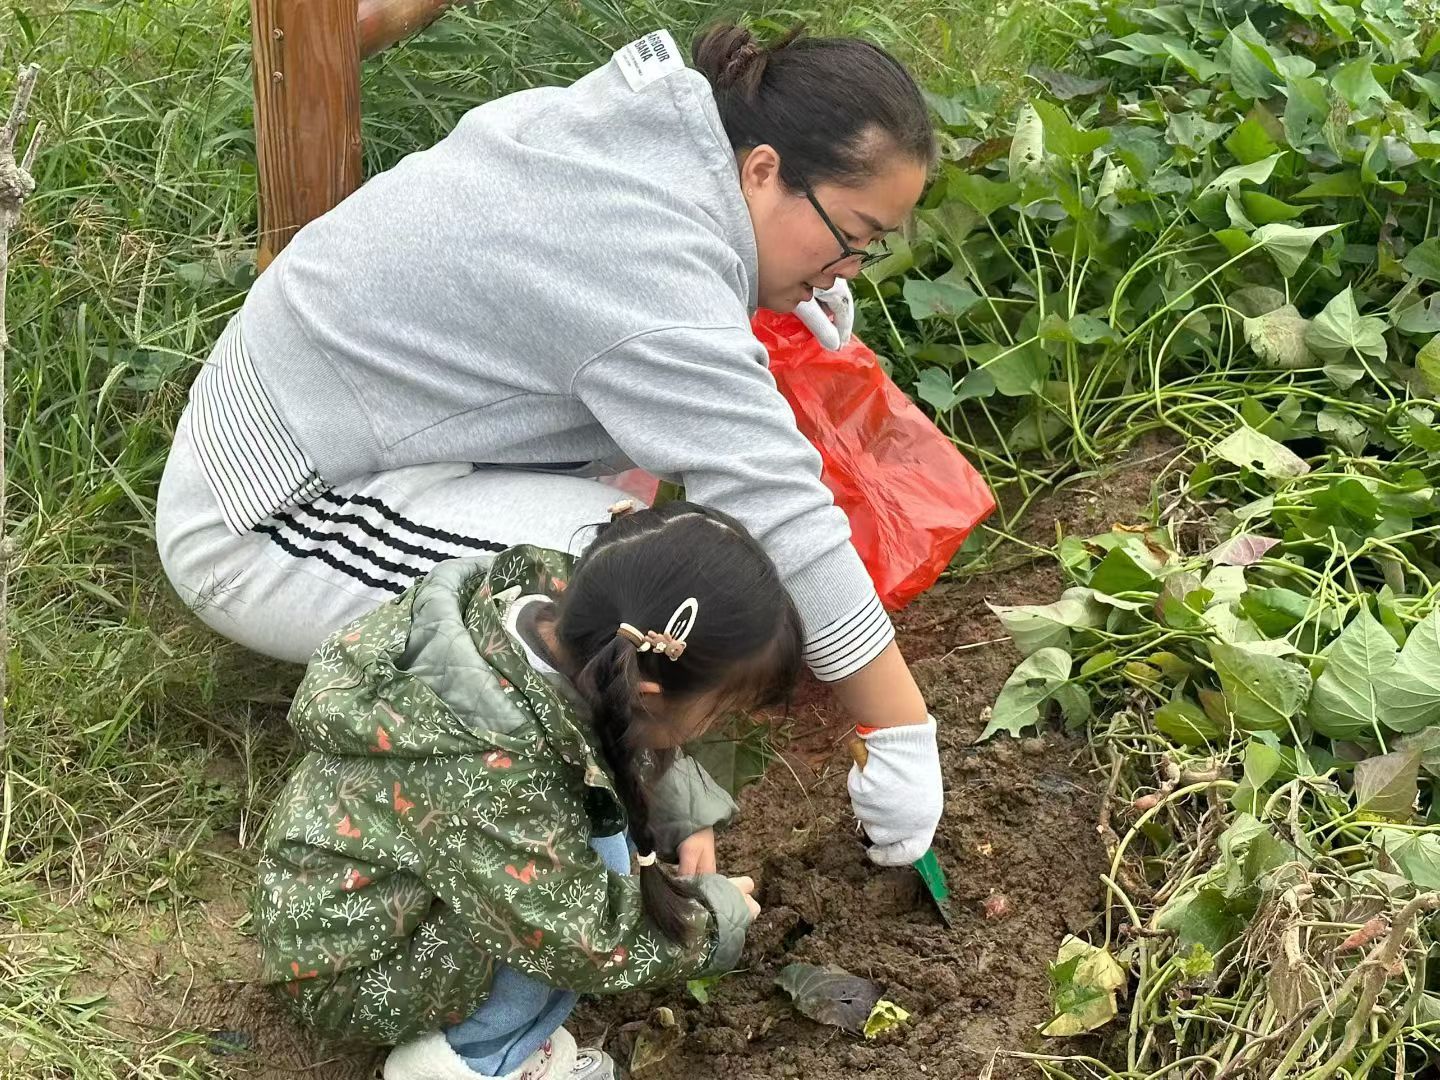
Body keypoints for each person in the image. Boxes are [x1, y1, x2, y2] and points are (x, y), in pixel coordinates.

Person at [157, 21, 942, 877]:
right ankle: (552, 854)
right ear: (761, 169)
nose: (852, 268)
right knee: (608, 587)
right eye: (851, 234)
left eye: (870, 248)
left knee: (646, 546)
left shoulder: (651, 147)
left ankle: (589, 753)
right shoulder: (644, 261)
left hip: (372, 428)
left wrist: (784, 281)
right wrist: (898, 729)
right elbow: (778, 504)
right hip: (274, 511)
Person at [257, 502, 804, 1079]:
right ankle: (468, 1062)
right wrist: (711, 920)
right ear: (646, 690)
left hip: (345, 905)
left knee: (600, 848)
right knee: (588, 879)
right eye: (715, 714)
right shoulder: (496, 765)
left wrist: (684, 813)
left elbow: (612, 725)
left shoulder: (555, 622)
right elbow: (576, 937)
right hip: (350, 970)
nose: (711, 729)